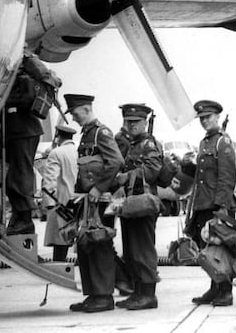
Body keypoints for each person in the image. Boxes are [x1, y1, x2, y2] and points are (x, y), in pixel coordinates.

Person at [65, 93, 125, 313]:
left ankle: (104, 296)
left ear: (86, 109)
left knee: (99, 244)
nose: (73, 118)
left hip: (101, 200)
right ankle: (93, 294)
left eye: (75, 113)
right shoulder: (87, 134)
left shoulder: (101, 132)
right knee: (86, 245)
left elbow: (116, 161)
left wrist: (99, 188)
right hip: (87, 200)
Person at [186, 99, 236, 307]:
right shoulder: (204, 142)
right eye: (201, 118)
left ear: (217, 116)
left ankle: (226, 291)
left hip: (217, 206)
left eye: (208, 117)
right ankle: (215, 287)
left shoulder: (222, 142)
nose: (204, 121)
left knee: (221, 251)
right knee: (208, 250)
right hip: (204, 204)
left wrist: (221, 208)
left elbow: (227, 177)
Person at [4, 51, 61, 235]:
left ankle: (25, 219)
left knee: (20, 174)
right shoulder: (11, 59)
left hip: (24, 129)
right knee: (14, 175)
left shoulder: (25, 58)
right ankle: (19, 214)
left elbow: (50, 79)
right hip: (16, 129)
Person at [113, 103, 164, 310]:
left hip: (143, 205)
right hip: (130, 205)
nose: (131, 125)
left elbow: (152, 171)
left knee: (143, 250)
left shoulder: (149, 144)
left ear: (145, 122)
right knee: (131, 250)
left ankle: (149, 295)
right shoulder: (132, 144)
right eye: (128, 121)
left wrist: (127, 176)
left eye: (135, 122)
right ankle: (137, 292)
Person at [41, 124, 79, 262]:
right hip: (78, 201)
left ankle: (59, 268)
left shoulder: (56, 153)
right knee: (75, 237)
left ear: (58, 136)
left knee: (60, 240)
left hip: (61, 202)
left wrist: (48, 204)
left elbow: (50, 180)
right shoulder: (78, 151)